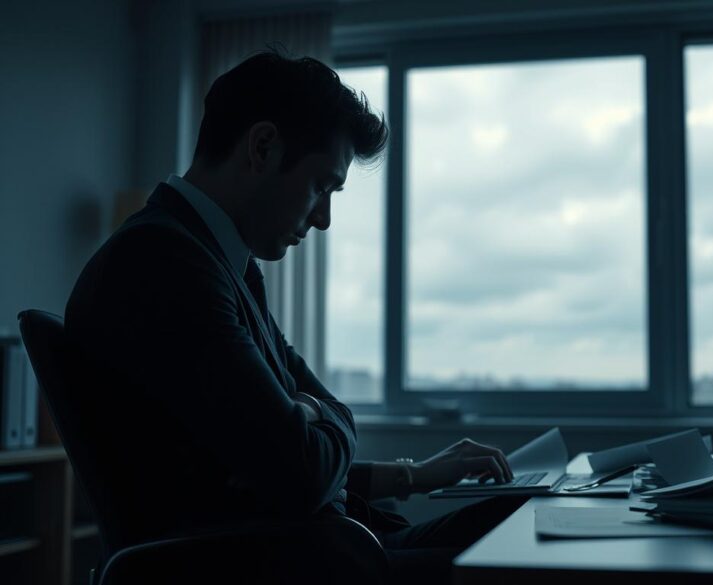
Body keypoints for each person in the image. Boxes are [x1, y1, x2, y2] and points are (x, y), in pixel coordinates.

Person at [64, 49, 522, 584]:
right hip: (280, 565)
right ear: (262, 147)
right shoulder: (164, 264)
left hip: (316, 544)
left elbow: (301, 432)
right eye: (321, 186)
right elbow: (299, 470)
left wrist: (410, 474)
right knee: (532, 564)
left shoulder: (224, 263)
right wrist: (313, 415)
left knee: (515, 518)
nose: (324, 219)